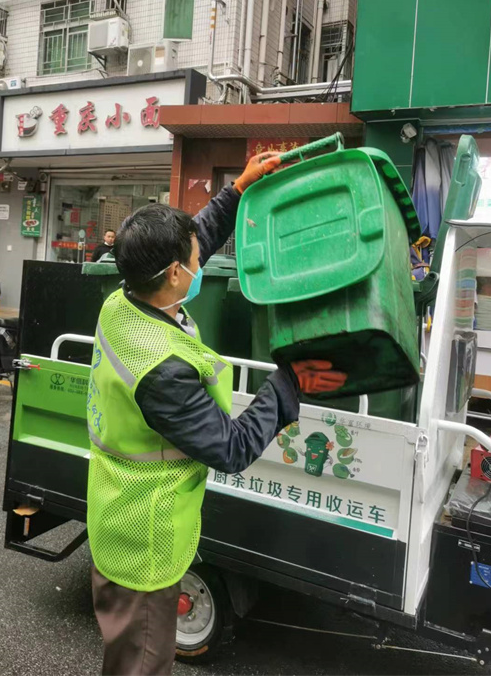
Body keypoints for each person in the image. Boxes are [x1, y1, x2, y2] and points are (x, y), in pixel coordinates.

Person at [87, 153, 347, 676]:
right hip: (146, 536)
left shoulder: (125, 298)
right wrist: (290, 383)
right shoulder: (160, 370)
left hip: (119, 507)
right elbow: (229, 447)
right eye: (193, 258)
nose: (201, 258)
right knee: (141, 662)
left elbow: (196, 233)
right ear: (176, 274)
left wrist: (239, 189)